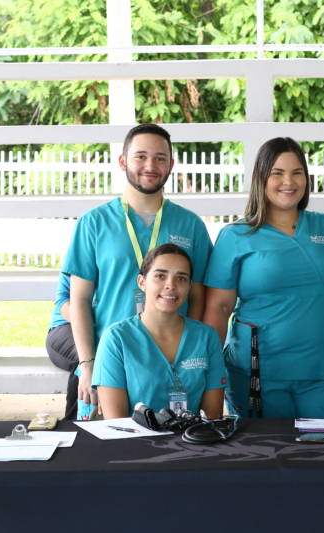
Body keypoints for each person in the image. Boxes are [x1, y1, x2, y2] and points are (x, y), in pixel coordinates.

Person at [203, 137, 324, 419]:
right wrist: (208, 368)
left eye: (297, 173)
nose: (288, 182)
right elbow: (218, 308)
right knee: (263, 457)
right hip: (258, 373)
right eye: (277, 173)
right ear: (261, 179)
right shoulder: (236, 236)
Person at [63, 124, 213, 418]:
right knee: (102, 448)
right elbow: (79, 300)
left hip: (169, 361)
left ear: (171, 164)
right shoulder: (94, 223)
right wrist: (87, 364)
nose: (150, 166)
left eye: (160, 158)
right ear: (123, 162)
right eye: (140, 156)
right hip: (111, 356)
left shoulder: (190, 225)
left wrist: (190, 352)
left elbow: (198, 296)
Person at [94, 244, 224, 419]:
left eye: (181, 278)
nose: (171, 285)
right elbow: (116, 422)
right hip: (133, 442)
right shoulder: (116, 339)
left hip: (195, 441)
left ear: (189, 286)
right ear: (142, 282)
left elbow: (212, 417)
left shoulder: (207, 337)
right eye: (160, 276)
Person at [44, 272, 77, 419]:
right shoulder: (80, 255)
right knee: (87, 356)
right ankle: (74, 425)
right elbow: (63, 303)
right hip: (66, 327)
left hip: (107, 329)